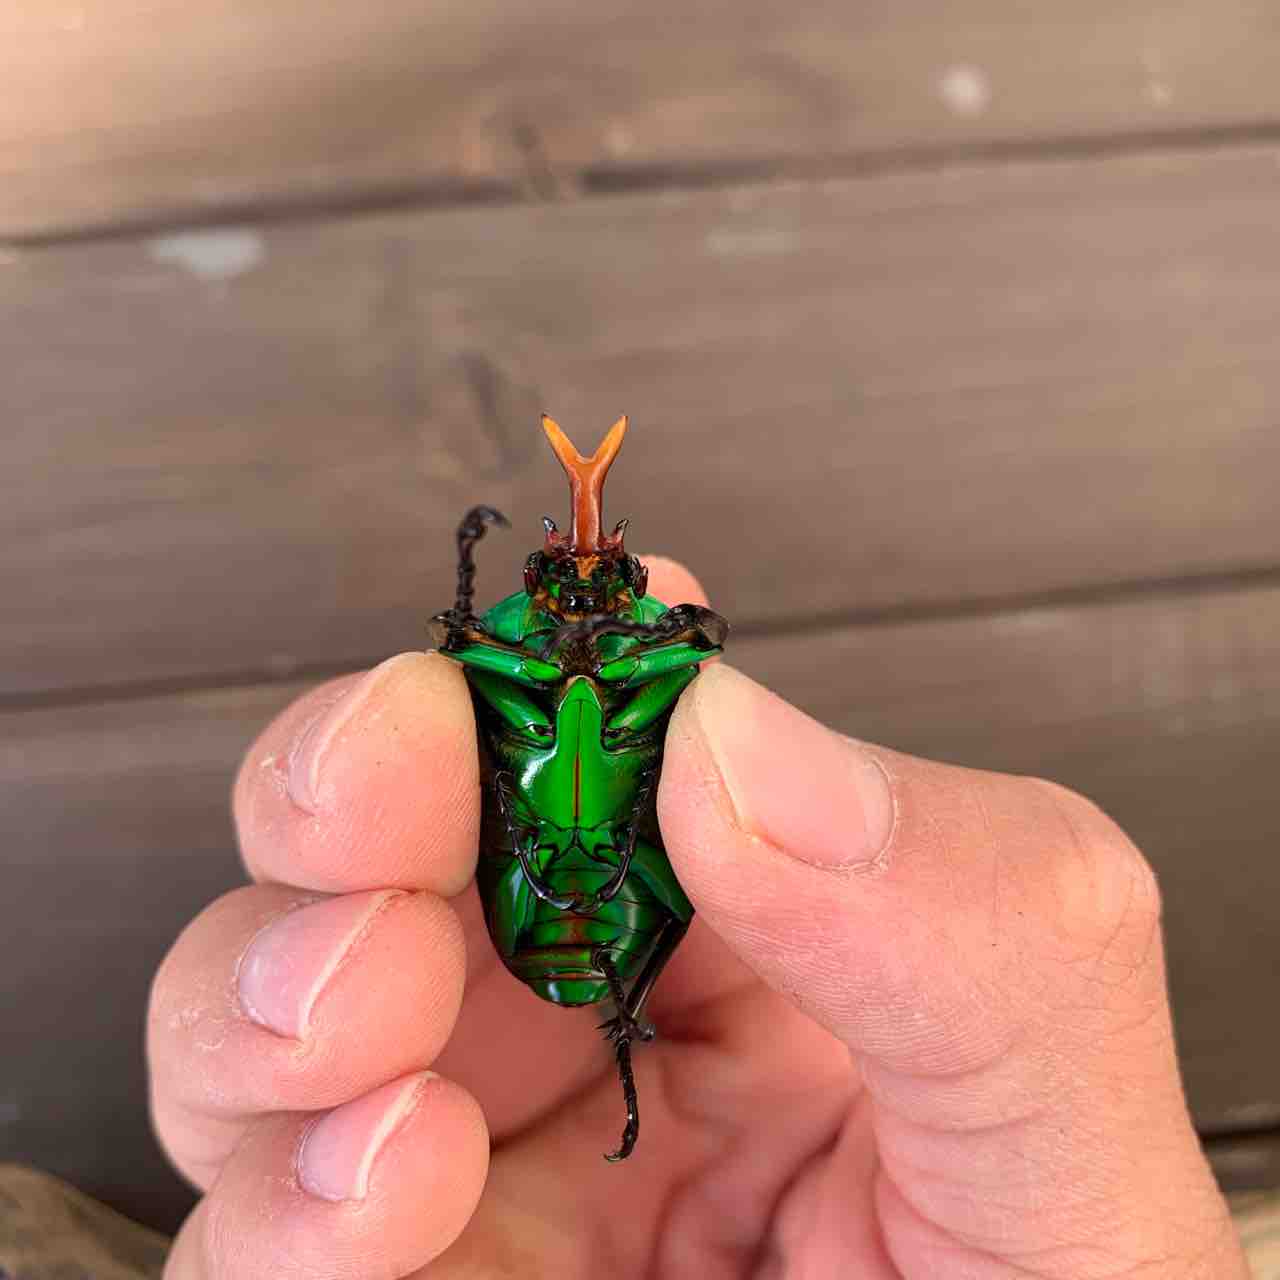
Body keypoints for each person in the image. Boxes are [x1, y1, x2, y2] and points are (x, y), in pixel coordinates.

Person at [147, 558, 1248, 1278]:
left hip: (612, 894)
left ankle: (623, 1036)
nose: (578, 614)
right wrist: (465, 625)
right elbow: (470, 662)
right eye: (560, 592)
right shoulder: (515, 664)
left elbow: (694, 642)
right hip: (534, 898)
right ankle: (611, 1035)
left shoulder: (656, 663)